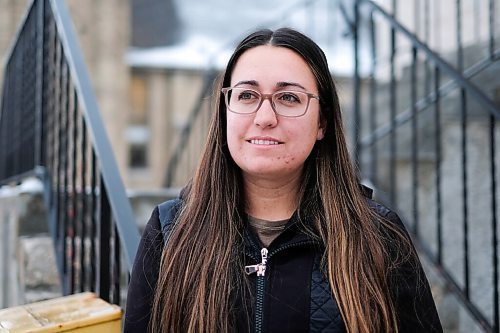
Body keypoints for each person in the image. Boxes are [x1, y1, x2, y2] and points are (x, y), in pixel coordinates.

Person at [124, 27, 442, 333]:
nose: (264, 118)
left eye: (288, 98)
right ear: (225, 111)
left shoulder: (379, 237)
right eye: (247, 95)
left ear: (323, 122)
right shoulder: (169, 232)